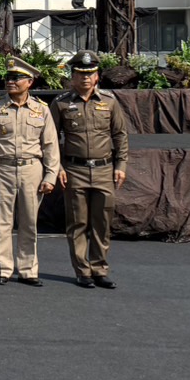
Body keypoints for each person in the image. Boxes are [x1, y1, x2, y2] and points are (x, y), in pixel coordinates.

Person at [0, 57, 60, 286]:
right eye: (8, 78)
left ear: (29, 82)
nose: (10, 82)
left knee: (29, 222)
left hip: (31, 169)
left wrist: (51, 175)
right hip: (0, 169)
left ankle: (28, 270)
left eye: (16, 78)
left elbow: (50, 144)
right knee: (1, 223)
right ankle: (2, 268)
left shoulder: (41, 109)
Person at [50, 50, 128, 289]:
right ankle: (82, 270)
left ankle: (99, 268)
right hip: (75, 170)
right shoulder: (62, 103)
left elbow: (120, 135)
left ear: (97, 76)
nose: (85, 78)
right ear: (72, 77)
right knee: (78, 222)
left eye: (90, 73)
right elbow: (51, 139)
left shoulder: (110, 102)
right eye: (80, 74)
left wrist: (121, 165)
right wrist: (58, 167)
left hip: (104, 169)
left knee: (102, 222)